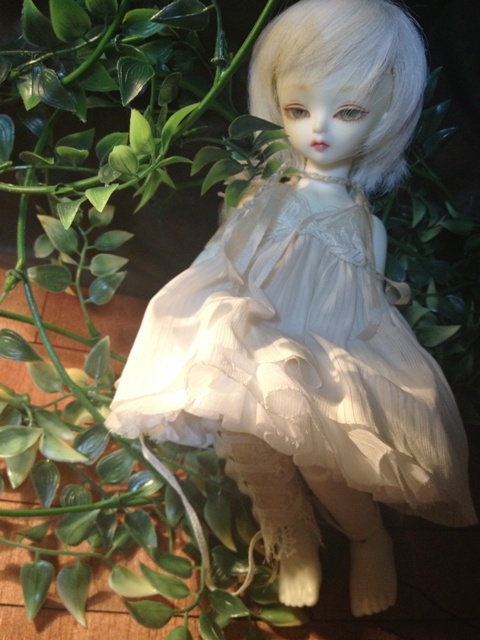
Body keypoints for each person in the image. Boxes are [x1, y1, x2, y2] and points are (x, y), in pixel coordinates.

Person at [106, 0, 478, 616]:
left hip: (327, 350)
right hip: (252, 331)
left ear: (386, 116)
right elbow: (221, 259)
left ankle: (367, 536)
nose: (319, 129)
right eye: (298, 109)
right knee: (250, 444)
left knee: (327, 463)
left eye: (349, 111)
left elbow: (366, 306)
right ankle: (289, 531)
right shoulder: (260, 194)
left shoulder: (364, 223)